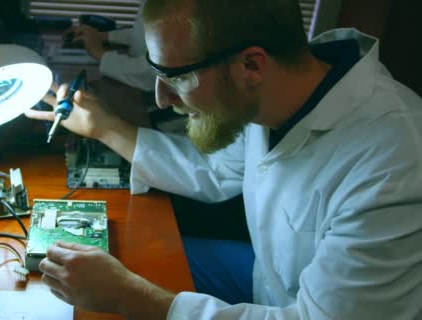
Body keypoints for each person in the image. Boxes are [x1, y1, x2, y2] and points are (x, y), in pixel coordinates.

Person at [24, 0, 422, 319]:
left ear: (250, 65)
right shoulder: (275, 95)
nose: (163, 99)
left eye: (176, 78)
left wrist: (131, 296)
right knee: (133, 251)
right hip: (262, 276)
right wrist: (103, 126)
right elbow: (214, 170)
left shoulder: (394, 163)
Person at [64, 1, 156, 92]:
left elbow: (151, 75)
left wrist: (98, 52)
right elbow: (142, 33)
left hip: (153, 98)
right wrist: (102, 36)